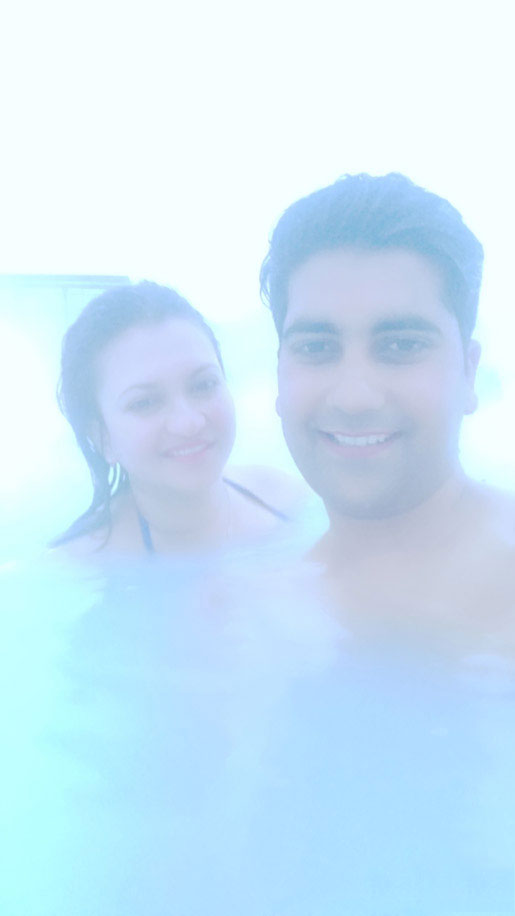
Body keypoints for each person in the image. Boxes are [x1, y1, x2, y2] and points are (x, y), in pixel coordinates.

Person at [260, 172, 515, 653]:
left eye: (401, 345)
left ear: (468, 373)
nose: (354, 397)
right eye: (316, 347)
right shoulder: (267, 611)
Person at [53, 280, 302, 558]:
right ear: (103, 438)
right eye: (144, 403)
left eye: (203, 385)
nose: (188, 423)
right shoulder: (79, 563)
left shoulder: (286, 498)